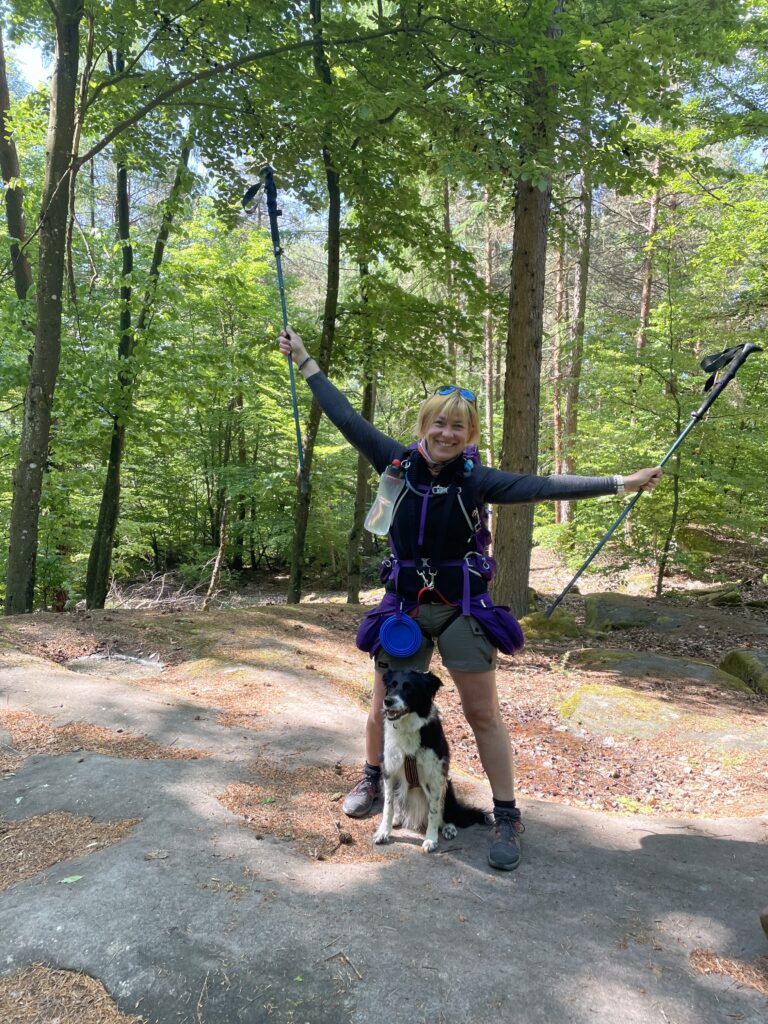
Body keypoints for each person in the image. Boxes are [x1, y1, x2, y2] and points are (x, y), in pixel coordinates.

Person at [278, 327, 662, 871]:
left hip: (463, 607)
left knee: (483, 711)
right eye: (439, 422)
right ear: (423, 426)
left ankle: (506, 815)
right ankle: (372, 781)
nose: (446, 432)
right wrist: (306, 361)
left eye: (458, 426)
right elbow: (346, 417)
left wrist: (621, 482)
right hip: (405, 609)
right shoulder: (393, 462)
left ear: (470, 433)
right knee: (381, 707)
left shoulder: (477, 480)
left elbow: (544, 486)